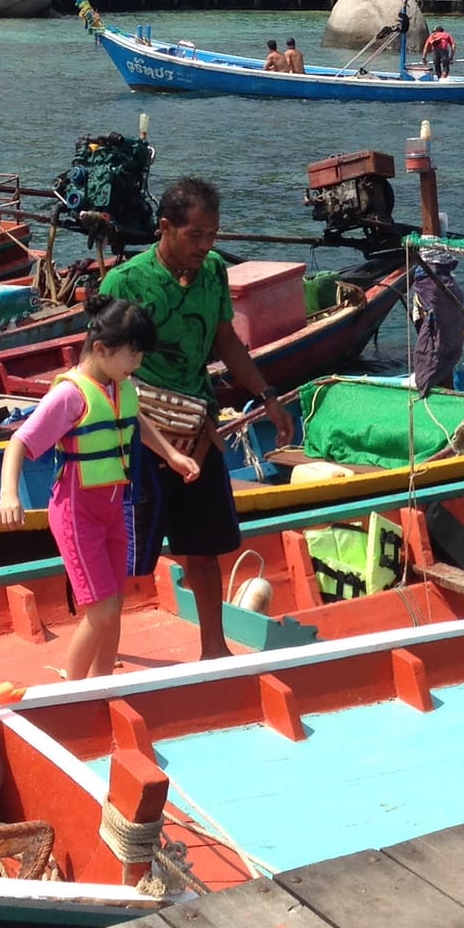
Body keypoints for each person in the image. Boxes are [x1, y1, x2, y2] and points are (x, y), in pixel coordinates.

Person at [99, 177, 296, 659]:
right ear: (165, 228)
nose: (206, 246)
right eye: (196, 236)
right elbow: (98, 361)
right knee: (124, 551)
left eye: (212, 236)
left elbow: (225, 339)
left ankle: (214, 647)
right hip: (138, 432)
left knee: (203, 545)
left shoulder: (210, 274)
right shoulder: (125, 282)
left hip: (197, 428)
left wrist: (265, 393)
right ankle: (104, 650)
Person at [0, 297, 202, 679]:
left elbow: (134, 421)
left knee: (115, 604)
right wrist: (9, 494)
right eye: (132, 357)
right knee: (101, 610)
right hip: (79, 512)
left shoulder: (119, 386)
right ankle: (72, 692)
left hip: (115, 508)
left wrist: (171, 454)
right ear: (103, 350)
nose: (137, 365)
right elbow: (19, 443)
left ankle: (101, 684)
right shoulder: (69, 394)